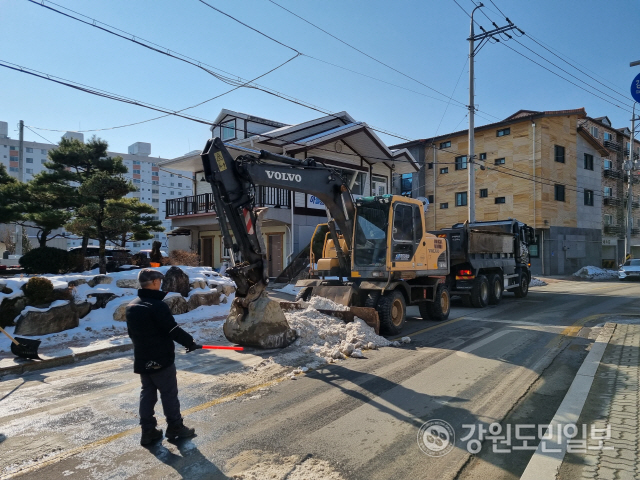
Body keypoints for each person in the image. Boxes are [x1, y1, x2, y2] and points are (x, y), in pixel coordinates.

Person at [126, 268, 199, 446]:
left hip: (143, 358)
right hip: (161, 358)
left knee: (147, 393)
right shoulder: (157, 306)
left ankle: (148, 431)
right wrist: (190, 342)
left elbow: (131, 333)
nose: (160, 284)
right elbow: (172, 329)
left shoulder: (132, 306)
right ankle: (175, 427)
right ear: (154, 283)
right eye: (159, 281)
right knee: (168, 394)